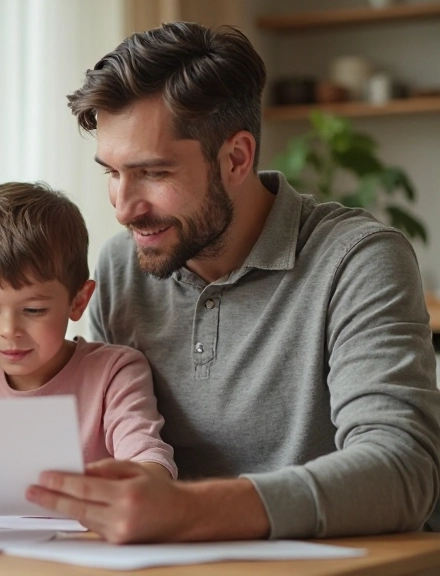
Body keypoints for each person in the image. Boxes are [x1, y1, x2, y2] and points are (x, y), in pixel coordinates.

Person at [26, 21, 440, 543]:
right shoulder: (120, 267)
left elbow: (404, 471)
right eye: (111, 172)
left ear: (236, 159)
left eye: (152, 173)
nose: (124, 208)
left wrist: (188, 510)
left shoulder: (355, 260)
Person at [0, 182, 176, 479]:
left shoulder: (114, 373)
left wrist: (144, 485)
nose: (9, 330)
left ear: (78, 301)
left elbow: (146, 458)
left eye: (33, 310)